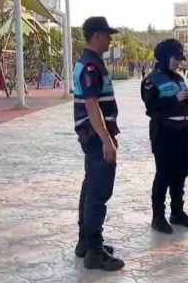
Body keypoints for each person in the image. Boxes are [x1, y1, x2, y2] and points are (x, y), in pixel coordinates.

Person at [72, 16, 125, 271]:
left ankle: (86, 242)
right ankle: (94, 252)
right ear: (96, 36)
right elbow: (92, 106)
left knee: (91, 186)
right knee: (98, 192)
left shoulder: (89, 62)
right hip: (95, 136)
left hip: (92, 134)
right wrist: (106, 140)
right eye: (107, 35)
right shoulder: (91, 65)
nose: (110, 39)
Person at [141, 39, 188, 234]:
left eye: (180, 60)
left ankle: (177, 212)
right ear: (165, 57)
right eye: (176, 59)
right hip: (164, 132)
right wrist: (175, 98)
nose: (178, 63)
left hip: (183, 130)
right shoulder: (151, 81)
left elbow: (183, 105)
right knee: (164, 174)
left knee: (181, 172)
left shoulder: (179, 78)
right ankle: (158, 217)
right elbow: (152, 108)